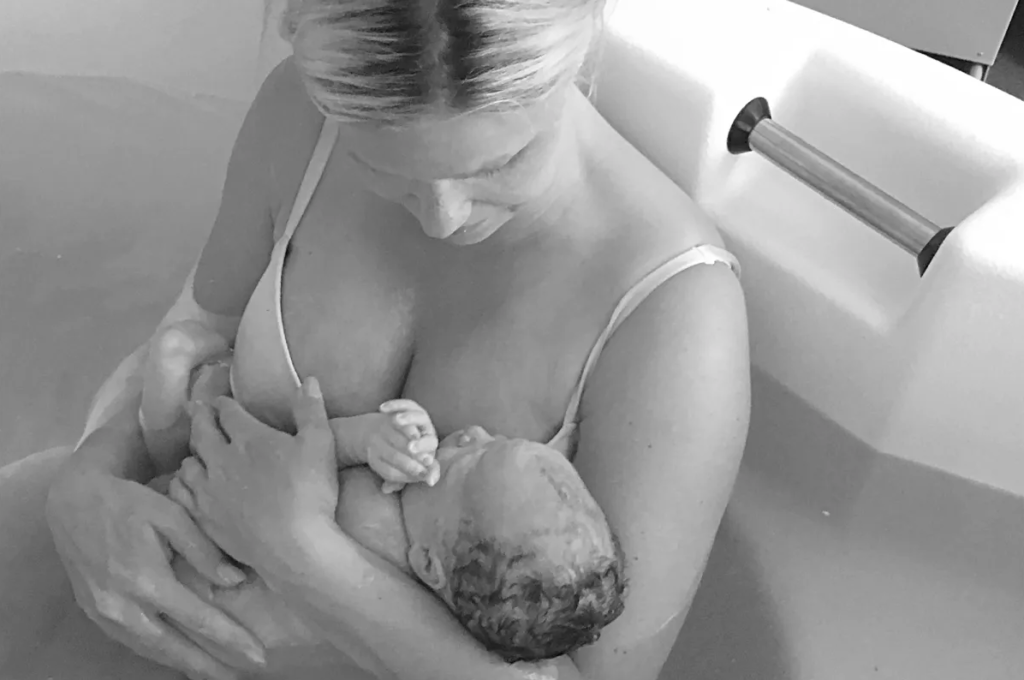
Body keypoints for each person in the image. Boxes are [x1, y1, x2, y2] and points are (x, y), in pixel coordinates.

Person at [0, 1, 751, 679]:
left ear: (581, 47)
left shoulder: (677, 313)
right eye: (384, 167)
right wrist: (88, 486)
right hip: (142, 584)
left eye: (502, 163)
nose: (444, 218)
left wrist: (298, 553)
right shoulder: (301, 119)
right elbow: (190, 344)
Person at [139, 326, 627, 664]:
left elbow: (302, 453)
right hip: (193, 580)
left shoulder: (371, 522)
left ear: (431, 563)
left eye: (469, 459)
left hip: (178, 578)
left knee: (183, 456)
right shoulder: (426, 601)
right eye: (493, 439)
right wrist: (379, 440)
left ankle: (163, 418)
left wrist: (363, 440)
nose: (471, 432)